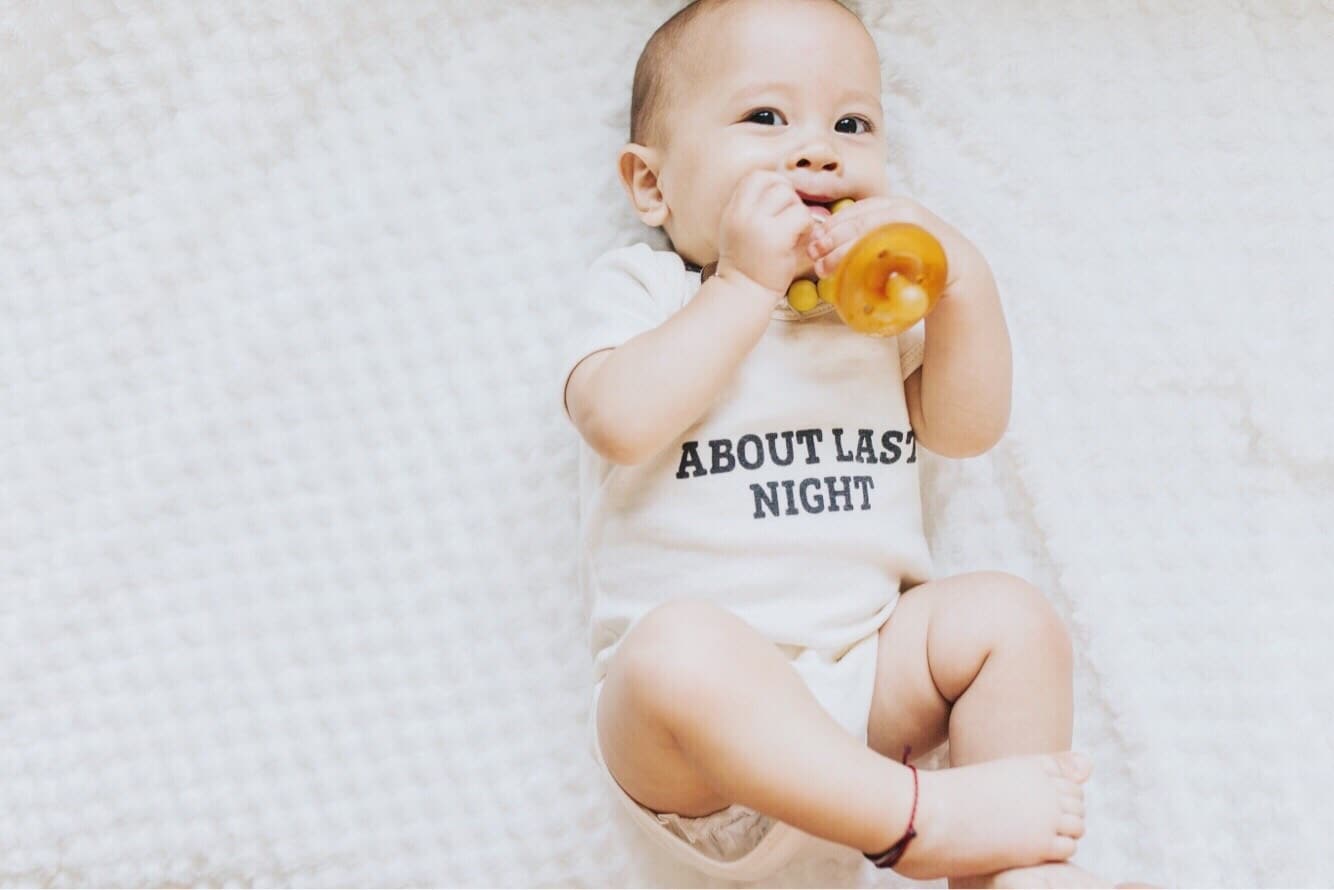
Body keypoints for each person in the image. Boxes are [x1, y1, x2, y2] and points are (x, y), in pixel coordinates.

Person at [559, 1, 1140, 885]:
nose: (818, 150)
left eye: (852, 124)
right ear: (653, 186)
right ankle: (920, 819)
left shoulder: (870, 314)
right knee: (674, 651)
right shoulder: (647, 289)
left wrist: (962, 281)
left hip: (863, 685)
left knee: (1010, 619)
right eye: (765, 118)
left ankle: (1001, 869)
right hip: (695, 751)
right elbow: (618, 419)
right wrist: (747, 283)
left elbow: (964, 427)